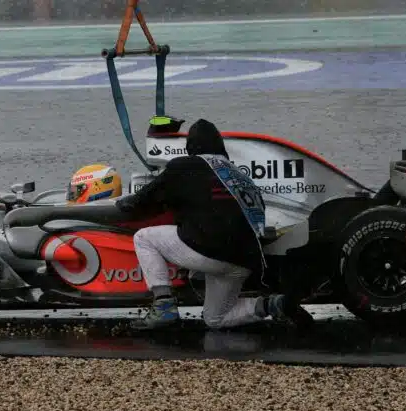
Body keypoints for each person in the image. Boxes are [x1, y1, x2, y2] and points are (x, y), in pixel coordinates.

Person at [115, 118, 314, 330]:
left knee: (144, 238)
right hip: (244, 262)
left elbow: (137, 202)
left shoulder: (184, 166)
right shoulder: (240, 176)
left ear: (190, 147)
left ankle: (164, 306)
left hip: (209, 251)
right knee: (216, 318)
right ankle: (275, 305)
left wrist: (120, 203)